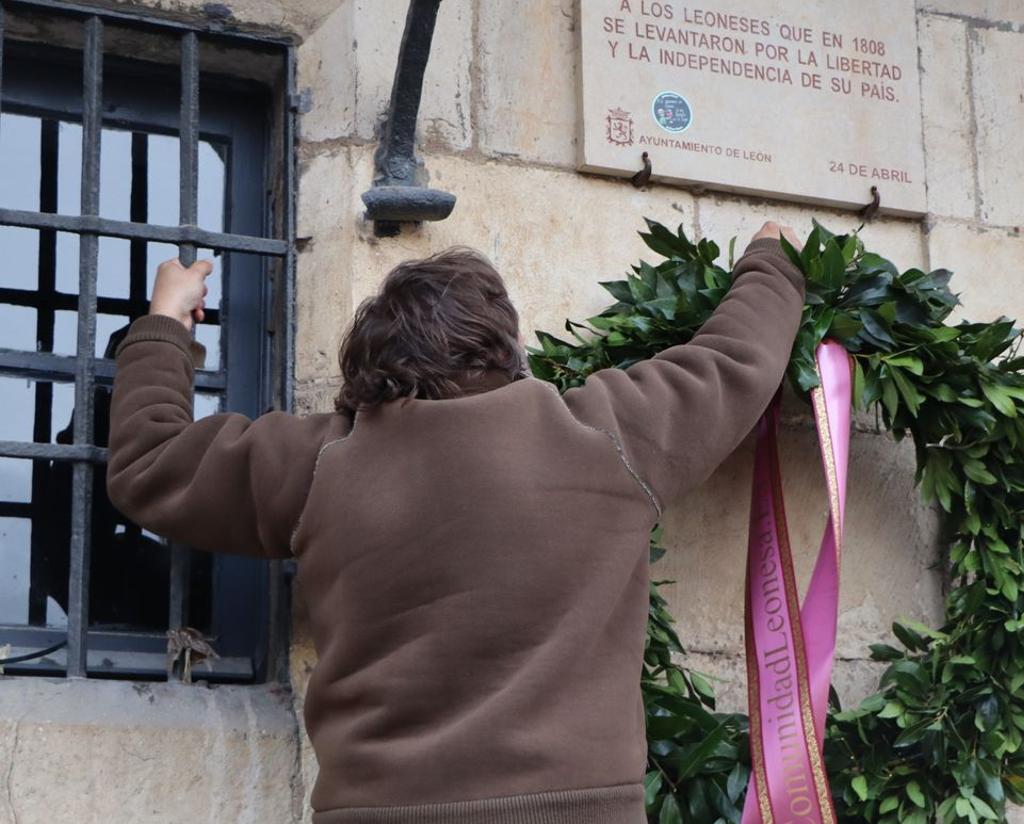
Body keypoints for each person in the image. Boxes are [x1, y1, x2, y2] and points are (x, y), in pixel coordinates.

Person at [106, 220, 807, 824]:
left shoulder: (319, 462)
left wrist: (166, 322)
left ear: (371, 358)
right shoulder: (603, 434)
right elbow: (737, 360)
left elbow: (148, 463)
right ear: (504, 348)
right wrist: (771, 260)